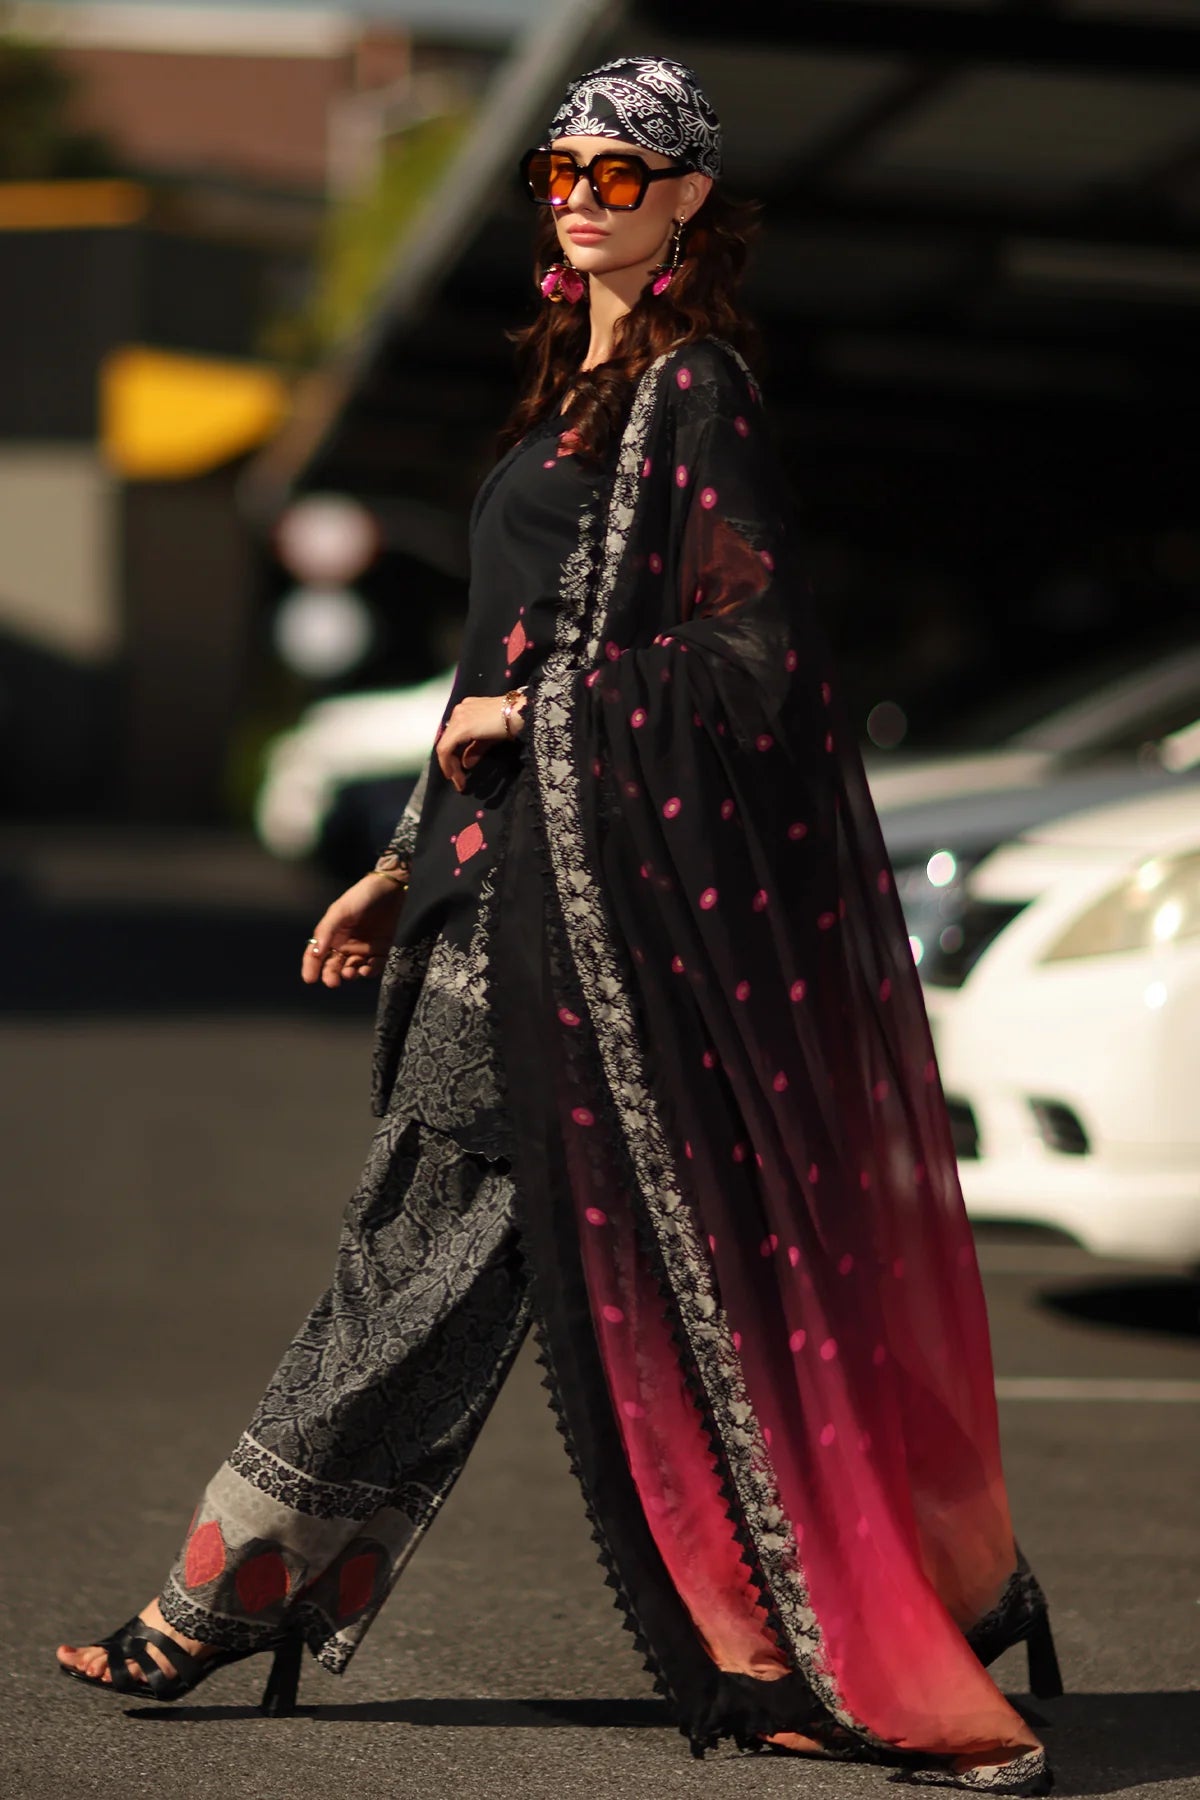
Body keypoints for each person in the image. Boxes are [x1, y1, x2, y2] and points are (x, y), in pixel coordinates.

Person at [57, 55, 1060, 1793]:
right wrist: (401, 862)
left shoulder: (695, 391)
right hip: (497, 890)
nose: (586, 197)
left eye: (624, 170)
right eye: (562, 169)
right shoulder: (577, 391)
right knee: (612, 1281)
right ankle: (924, 1598)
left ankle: (216, 1601)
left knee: (442, 1264)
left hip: (592, 925)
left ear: (690, 200)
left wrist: (545, 716)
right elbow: (491, 657)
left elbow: (757, 659)